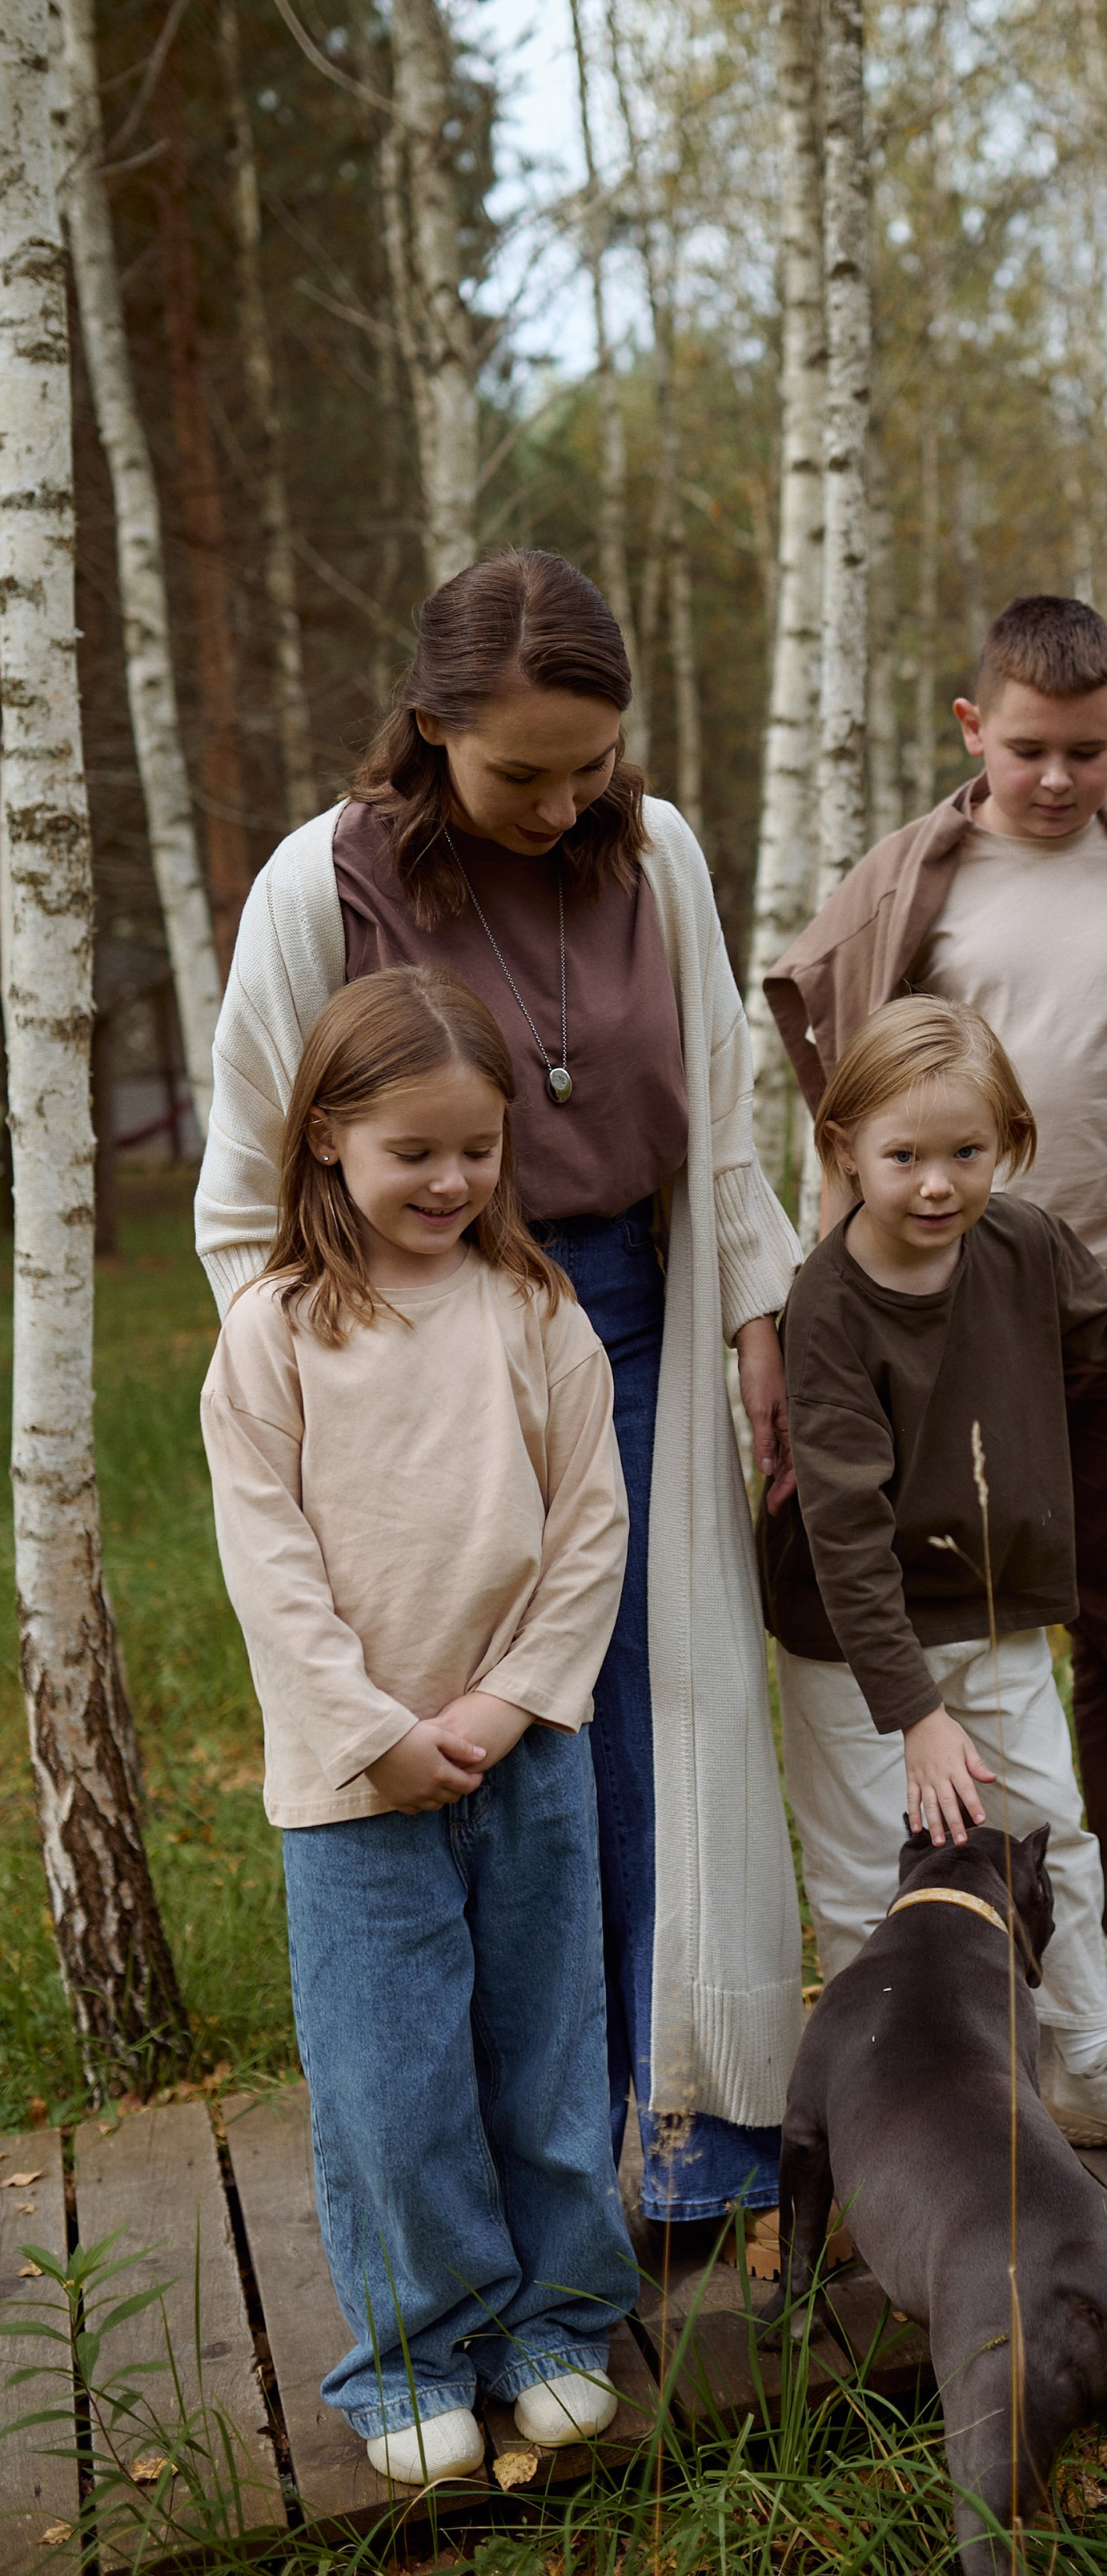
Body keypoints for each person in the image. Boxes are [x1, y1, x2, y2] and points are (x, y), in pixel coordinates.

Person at [195, 550, 804, 2239]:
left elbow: (725, 1116)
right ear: (431, 727)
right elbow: (249, 1196)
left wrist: (753, 1316)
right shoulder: (320, 891)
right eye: (517, 771)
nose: (561, 801)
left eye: (587, 762)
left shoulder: (660, 854)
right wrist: (339, 1400)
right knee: (474, 1763)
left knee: (645, 1733)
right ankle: (489, 2191)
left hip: (634, 1323)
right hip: (407, 1359)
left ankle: (683, 2135)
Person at [765, 597, 1107, 2040]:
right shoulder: (916, 874)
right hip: (941, 1323)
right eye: (1030, 747)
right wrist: (872, 1210)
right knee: (936, 1615)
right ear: (976, 729)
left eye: (1088, 752)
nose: (1057, 777)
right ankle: (935, 1954)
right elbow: (820, 1015)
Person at [201, 967, 639, 2485]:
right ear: (327, 1138)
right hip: (355, 1778)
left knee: (546, 2053)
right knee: (393, 2080)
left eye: (477, 1147)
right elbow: (267, 1561)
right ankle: (410, 2349)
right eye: (413, 1151)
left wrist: (511, 1702)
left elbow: (590, 1527)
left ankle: (558, 2320)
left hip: (528, 1751)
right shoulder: (270, 1330)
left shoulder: (533, 1307)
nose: (451, 1179)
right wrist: (372, 1729)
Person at [762, 996, 1107, 2160]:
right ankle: (889, 2113)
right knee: (867, 1886)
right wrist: (916, 1717)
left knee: (1052, 1838)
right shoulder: (827, 1308)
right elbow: (845, 1534)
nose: (937, 1185)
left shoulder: (1025, 1245)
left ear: (1009, 1144)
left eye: (967, 1153)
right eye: (903, 1156)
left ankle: (1085, 2061)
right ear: (844, 1148)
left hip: (995, 1618)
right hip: (855, 1650)